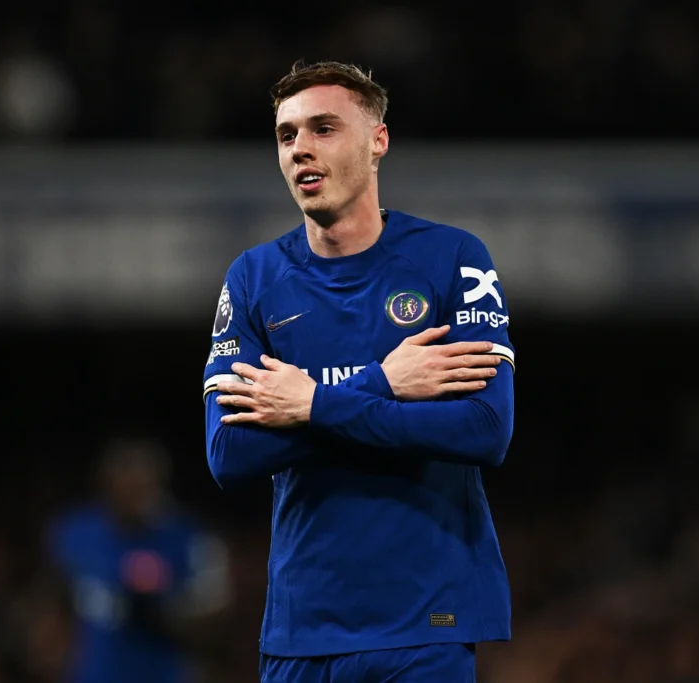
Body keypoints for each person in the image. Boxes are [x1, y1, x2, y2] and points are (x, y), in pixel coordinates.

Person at [202, 60, 516, 682]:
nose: (300, 150)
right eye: (287, 135)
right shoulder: (254, 279)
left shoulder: (452, 258)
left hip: (427, 625)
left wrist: (312, 405)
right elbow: (229, 452)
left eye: (323, 128)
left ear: (378, 141)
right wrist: (382, 385)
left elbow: (485, 429)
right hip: (303, 631)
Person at [43, 438, 231, 683]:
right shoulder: (75, 532)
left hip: (163, 673)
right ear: (105, 482)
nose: (131, 490)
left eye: (140, 481)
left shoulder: (190, 540)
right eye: (122, 479)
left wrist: (161, 613)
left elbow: (218, 616)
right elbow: (51, 602)